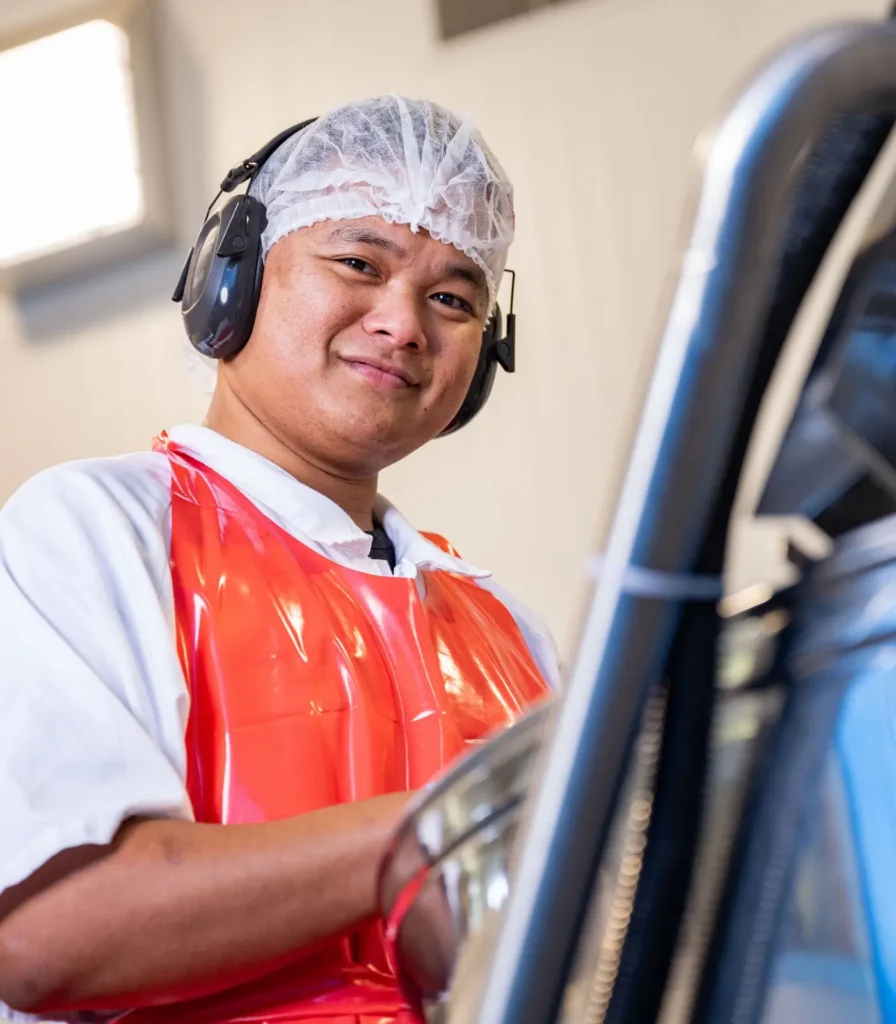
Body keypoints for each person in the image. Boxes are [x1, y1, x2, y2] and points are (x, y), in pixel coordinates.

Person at [0, 95, 558, 1024]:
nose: (403, 323)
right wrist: (434, 838)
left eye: (454, 297)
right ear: (235, 280)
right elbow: (53, 932)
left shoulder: (508, 635)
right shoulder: (97, 530)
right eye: (357, 262)